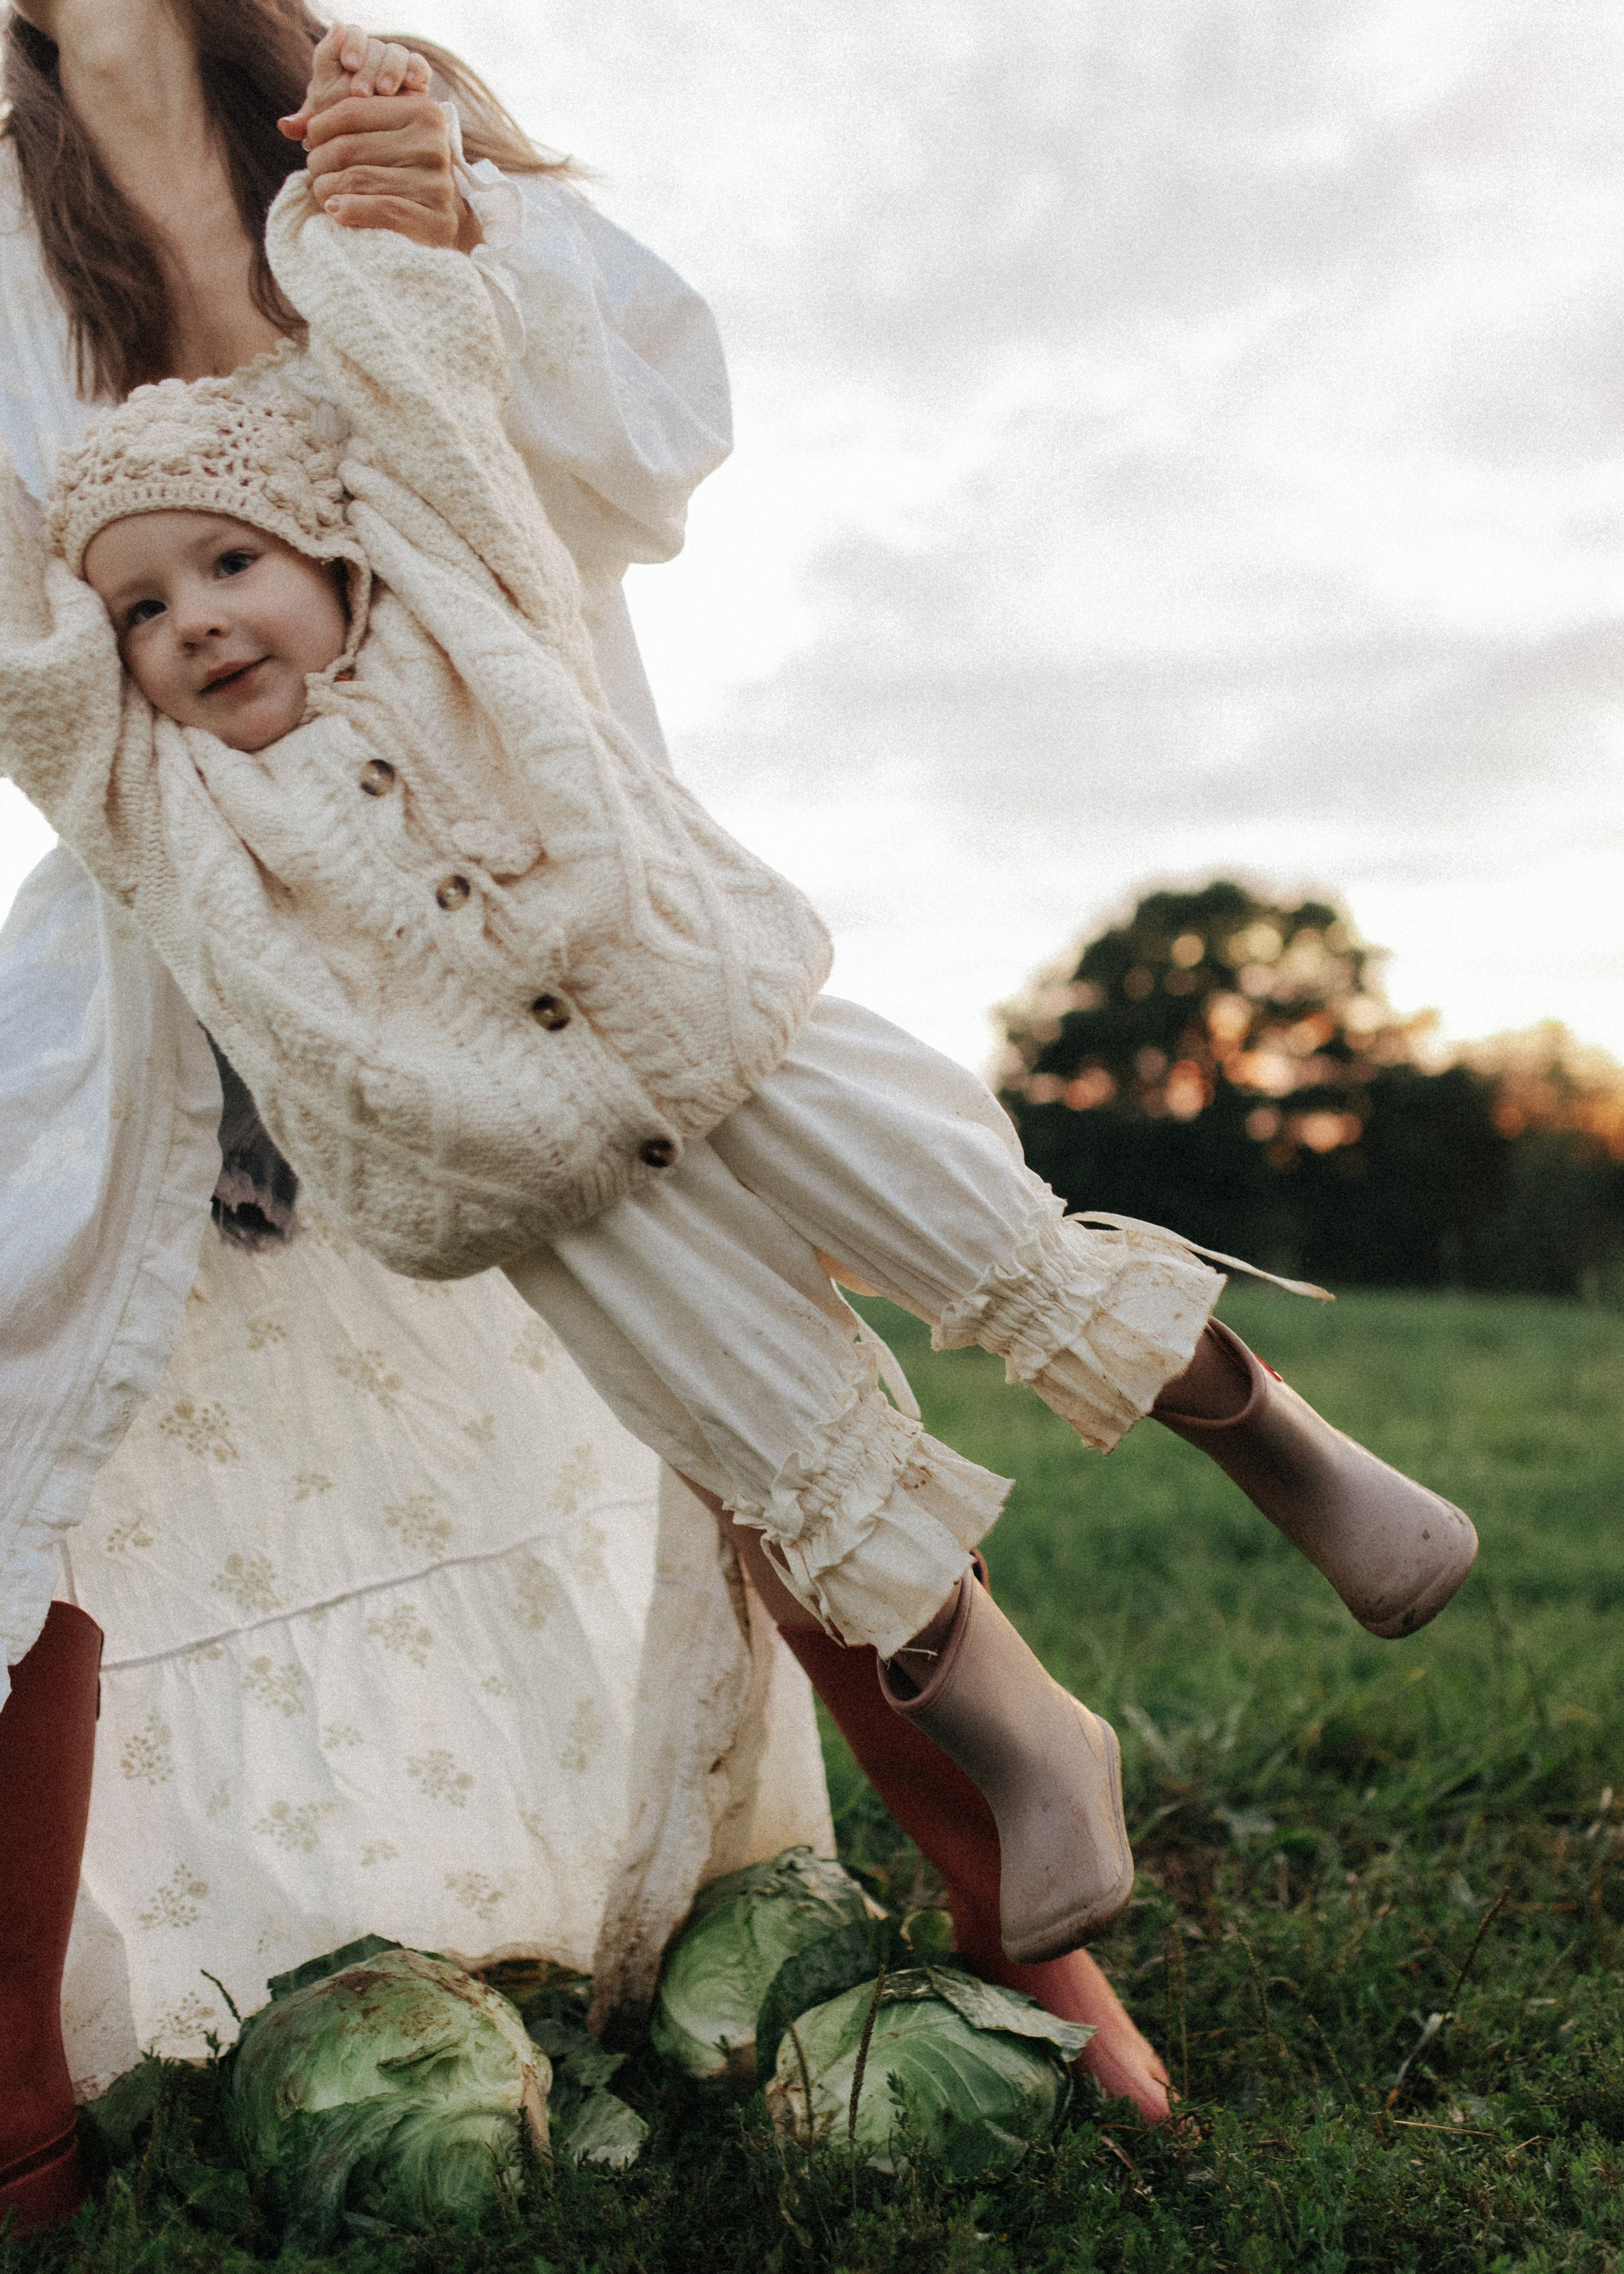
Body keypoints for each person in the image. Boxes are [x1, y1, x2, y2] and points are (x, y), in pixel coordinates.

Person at [11, 0, 1481, 2141]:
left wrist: (399, 237)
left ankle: (1218, 1547)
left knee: (954, 1230)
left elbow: (551, 413)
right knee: (740, 1408)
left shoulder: (392, 251)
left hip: (630, 918)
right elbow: (40, 668)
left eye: (232, 568)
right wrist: (127, 625)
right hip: (370, 1045)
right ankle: (1025, 1745)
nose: (207, 615)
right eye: (159, 600)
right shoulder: (138, 724)